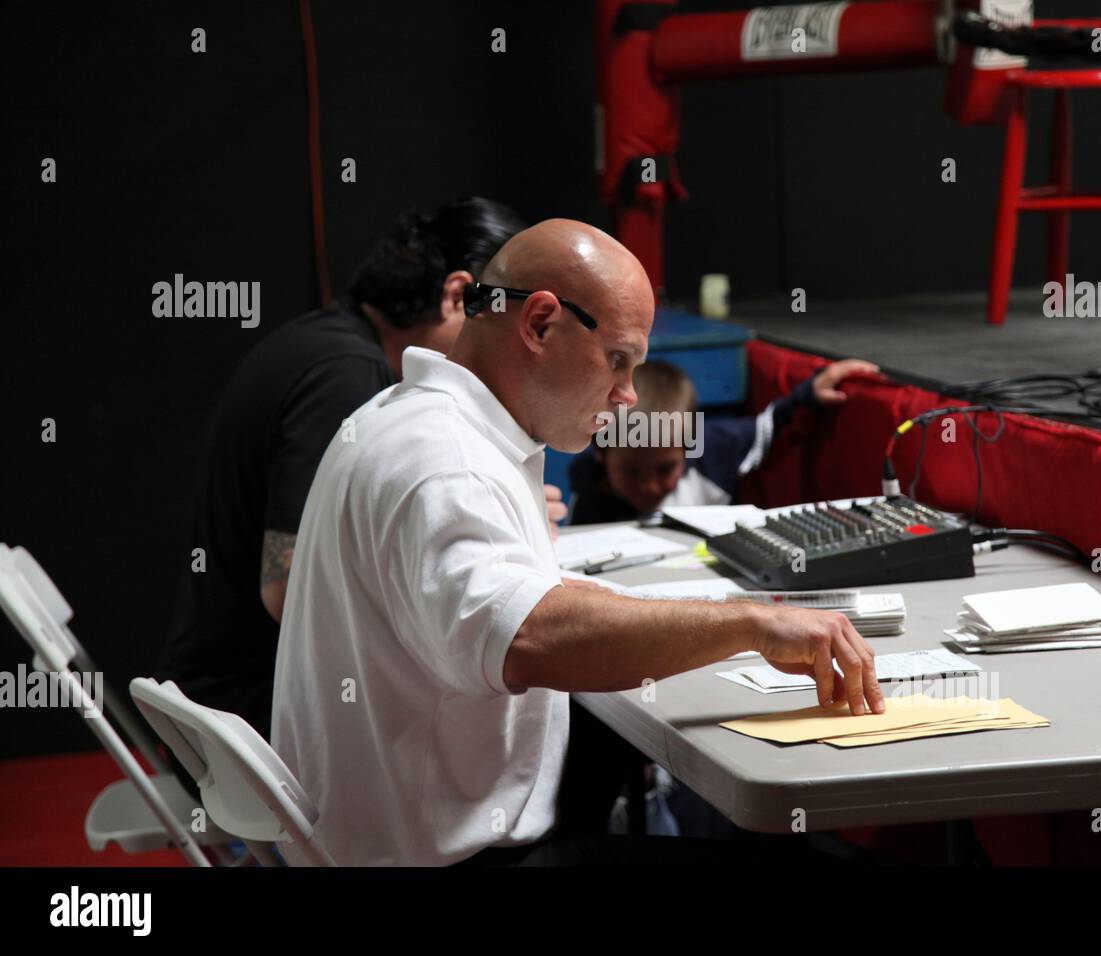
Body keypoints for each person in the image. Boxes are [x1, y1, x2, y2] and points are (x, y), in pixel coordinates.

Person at [271, 219, 886, 866]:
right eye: (618, 361)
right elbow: (526, 637)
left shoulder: (398, 417)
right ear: (539, 323)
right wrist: (755, 625)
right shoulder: (450, 462)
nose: (625, 399)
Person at [157, 197, 530, 743]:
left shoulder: (331, 343)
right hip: (245, 712)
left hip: (220, 695)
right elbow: (284, 592)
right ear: (456, 296)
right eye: (504, 326)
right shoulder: (346, 377)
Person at [568, 357, 879, 524]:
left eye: (664, 470)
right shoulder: (588, 483)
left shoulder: (713, 452)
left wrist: (810, 392)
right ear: (600, 451)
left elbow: (770, 427)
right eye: (633, 472)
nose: (650, 486)